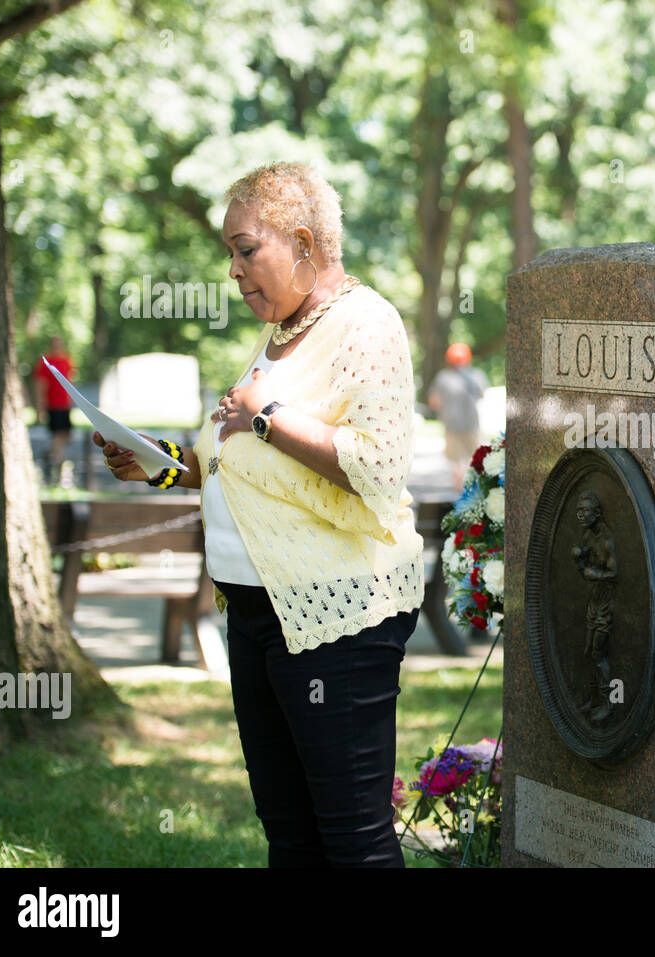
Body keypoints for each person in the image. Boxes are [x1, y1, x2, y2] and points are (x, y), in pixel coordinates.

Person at [95, 162, 424, 867]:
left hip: (338, 616)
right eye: (230, 255)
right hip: (254, 615)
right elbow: (241, 467)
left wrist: (266, 416)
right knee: (290, 836)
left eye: (247, 249)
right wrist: (158, 462)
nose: (236, 271)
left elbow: (376, 464)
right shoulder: (279, 335)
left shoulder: (366, 324)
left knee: (355, 841)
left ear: (303, 242)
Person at [571, 490, 617, 721]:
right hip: (594, 600)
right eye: (579, 511)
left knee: (599, 653)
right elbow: (585, 562)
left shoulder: (608, 540)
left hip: (607, 603)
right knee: (588, 651)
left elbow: (614, 573)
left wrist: (592, 572)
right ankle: (591, 699)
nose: (581, 515)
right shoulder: (588, 536)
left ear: (597, 513)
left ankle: (608, 703)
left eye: (586, 511)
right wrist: (580, 560)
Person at [428, 342, 488, 488]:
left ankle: (458, 489)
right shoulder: (476, 375)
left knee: (456, 461)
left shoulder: (442, 377)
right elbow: (483, 395)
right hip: (471, 423)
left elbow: (434, 402)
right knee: (473, 458)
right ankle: (472, 488)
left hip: (451, 423)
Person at [34, 336, 75, 483]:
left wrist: (72, 401)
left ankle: (49, 456)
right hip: (53, 405)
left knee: (66, 435)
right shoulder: (45, 363)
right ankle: (59, 466)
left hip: (65, 405)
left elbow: (70, 380)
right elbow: (40, 386)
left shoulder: (66, 360)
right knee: (58, 435)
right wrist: (40, 408)